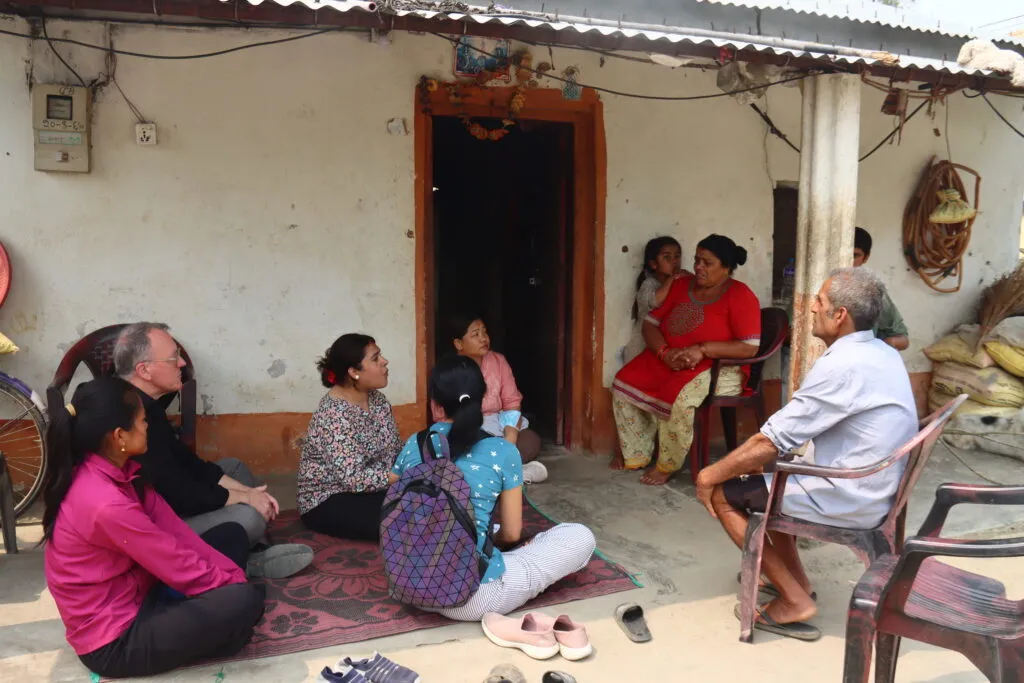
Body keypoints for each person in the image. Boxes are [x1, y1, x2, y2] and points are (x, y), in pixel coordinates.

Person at [695, 267, 917, 641]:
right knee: (774, 476)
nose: (812, 307)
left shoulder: (844, 365)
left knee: (723, 493)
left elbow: (770, 441)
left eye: (820, 301)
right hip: (875, 483)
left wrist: (706, 476)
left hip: (851, 495)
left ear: (840, 315)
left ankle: (794, 599)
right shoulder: (882, 351)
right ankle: (794, 579)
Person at [42, 376, 266, 679]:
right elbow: (173, 561)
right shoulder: (104, 503)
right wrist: (234, 590)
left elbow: (177, 534)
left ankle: (218, 622)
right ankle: (222, 628)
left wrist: (229, 579)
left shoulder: (124, 472)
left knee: (232, 535)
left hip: (146, 591)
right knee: (245, 602)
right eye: (143, 420)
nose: (148, 426)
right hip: (116, 640)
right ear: (120, 436)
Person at [391, 355, 596, 622]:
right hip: (475, 597)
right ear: (482, 398)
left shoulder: (415, 443)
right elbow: (511, 535)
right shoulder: (502, 450)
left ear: (435, 405)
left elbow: (396, 498)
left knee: (465, 521)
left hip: (410, 585)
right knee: (579, 536)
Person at [115, 322, 312, 579]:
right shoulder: (128, 422)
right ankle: (245, 560)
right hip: (158, 525)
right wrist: (243, 498)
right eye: (174, 358)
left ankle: (251, 549)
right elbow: (180, 494)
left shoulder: (147, 405)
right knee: (249, 517)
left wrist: (249, 492)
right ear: (145, 370)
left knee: (234, 467)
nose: (183, 364)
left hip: (173, 497)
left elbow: (186, 463)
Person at [611, 234, 762, 485]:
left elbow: (749, 347)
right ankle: (636, 454)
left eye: (707, 262)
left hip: (717, 367)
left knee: (678, 399)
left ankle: (667, 464)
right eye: (697, 260)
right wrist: (664, 353)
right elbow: (650, 324)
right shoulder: (682, 285)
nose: (698, 267)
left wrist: (702, 349)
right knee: (623, 383)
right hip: (670, 359)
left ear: (726, 267)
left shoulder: (740, 295)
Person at [297, 333, 401, 541]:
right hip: (330, 499)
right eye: (375, 358)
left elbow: (393, 448)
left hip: (372, 488)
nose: (385, 361)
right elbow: (353, 479)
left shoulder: (377, 400)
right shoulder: (333, 413)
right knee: (404, 521)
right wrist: (399, 477)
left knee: (425, 503)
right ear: (354, 372)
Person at [434, 314, 544, 474]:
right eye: (475, 334)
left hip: (499, 426)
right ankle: (511, 472)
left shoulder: (498, 361)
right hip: (465, 429)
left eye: (484, 332)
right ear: (458, 343)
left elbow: (511, 403)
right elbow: (441, 416)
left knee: (530, 441)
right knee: (460, 447)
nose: (483, 338)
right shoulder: (448, 370)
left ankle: (496, 470)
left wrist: (509, 444)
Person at [623, 236, 688, 363]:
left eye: (677, 256)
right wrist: (671, 279)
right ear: (653, 264)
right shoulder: (649, 284)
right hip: (643, 347)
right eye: (667, 257)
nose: (674, 261)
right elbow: (654, 302)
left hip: (665, 347)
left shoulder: (680, 283)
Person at [854, 227, 909, 351]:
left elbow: (902, 339)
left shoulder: (873, 292)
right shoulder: (819, 288)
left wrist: (884, 345)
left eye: (855, 255)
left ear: (866, 257)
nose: (848, 261)